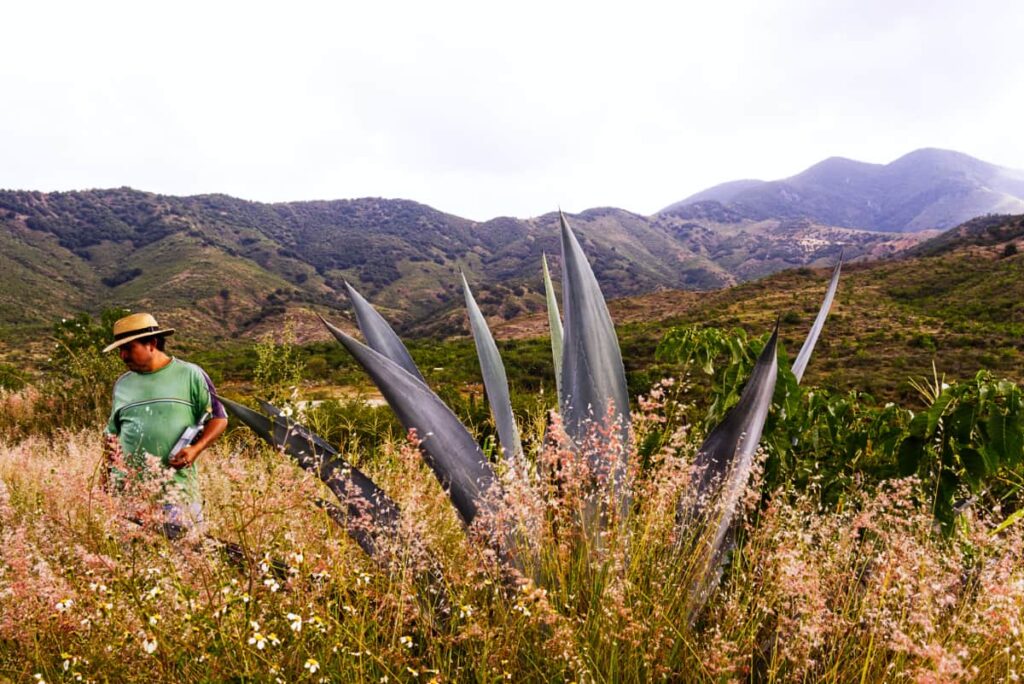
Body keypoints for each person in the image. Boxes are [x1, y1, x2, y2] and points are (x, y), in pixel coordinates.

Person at [102, 312, 228, 536]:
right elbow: (111, 435)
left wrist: (196, 449)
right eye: (120, 350)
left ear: (151, 343)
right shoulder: (122, 385)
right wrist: (107, 478)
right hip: (131, 498)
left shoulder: (191, 375)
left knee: (189, 557)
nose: (122, 355)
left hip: (177, 494)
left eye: (128, 348)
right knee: (136, 566)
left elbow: (219, 418)